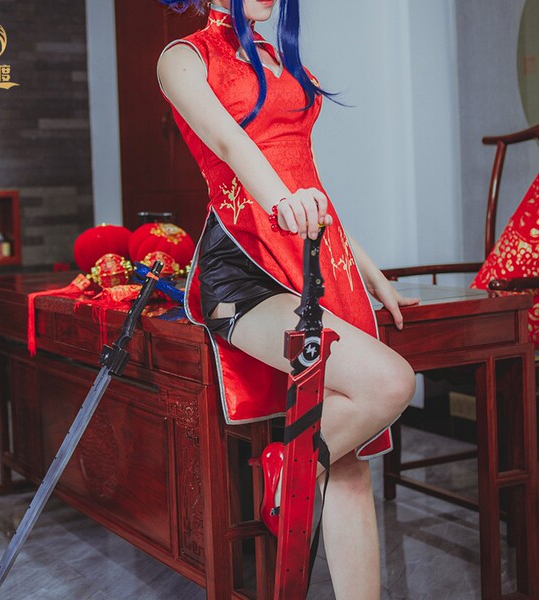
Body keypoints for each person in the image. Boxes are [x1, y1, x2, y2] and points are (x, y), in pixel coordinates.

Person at [157, 1, 419, 597]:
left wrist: (368, 268)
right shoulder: (183, 57)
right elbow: (229, 143)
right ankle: (291, 464)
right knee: (389, 383)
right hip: (244, 271)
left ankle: (301, 463)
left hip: (312, 257)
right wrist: (280, 204)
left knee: (348, 465)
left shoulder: (275, 58)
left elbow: (307, 175)